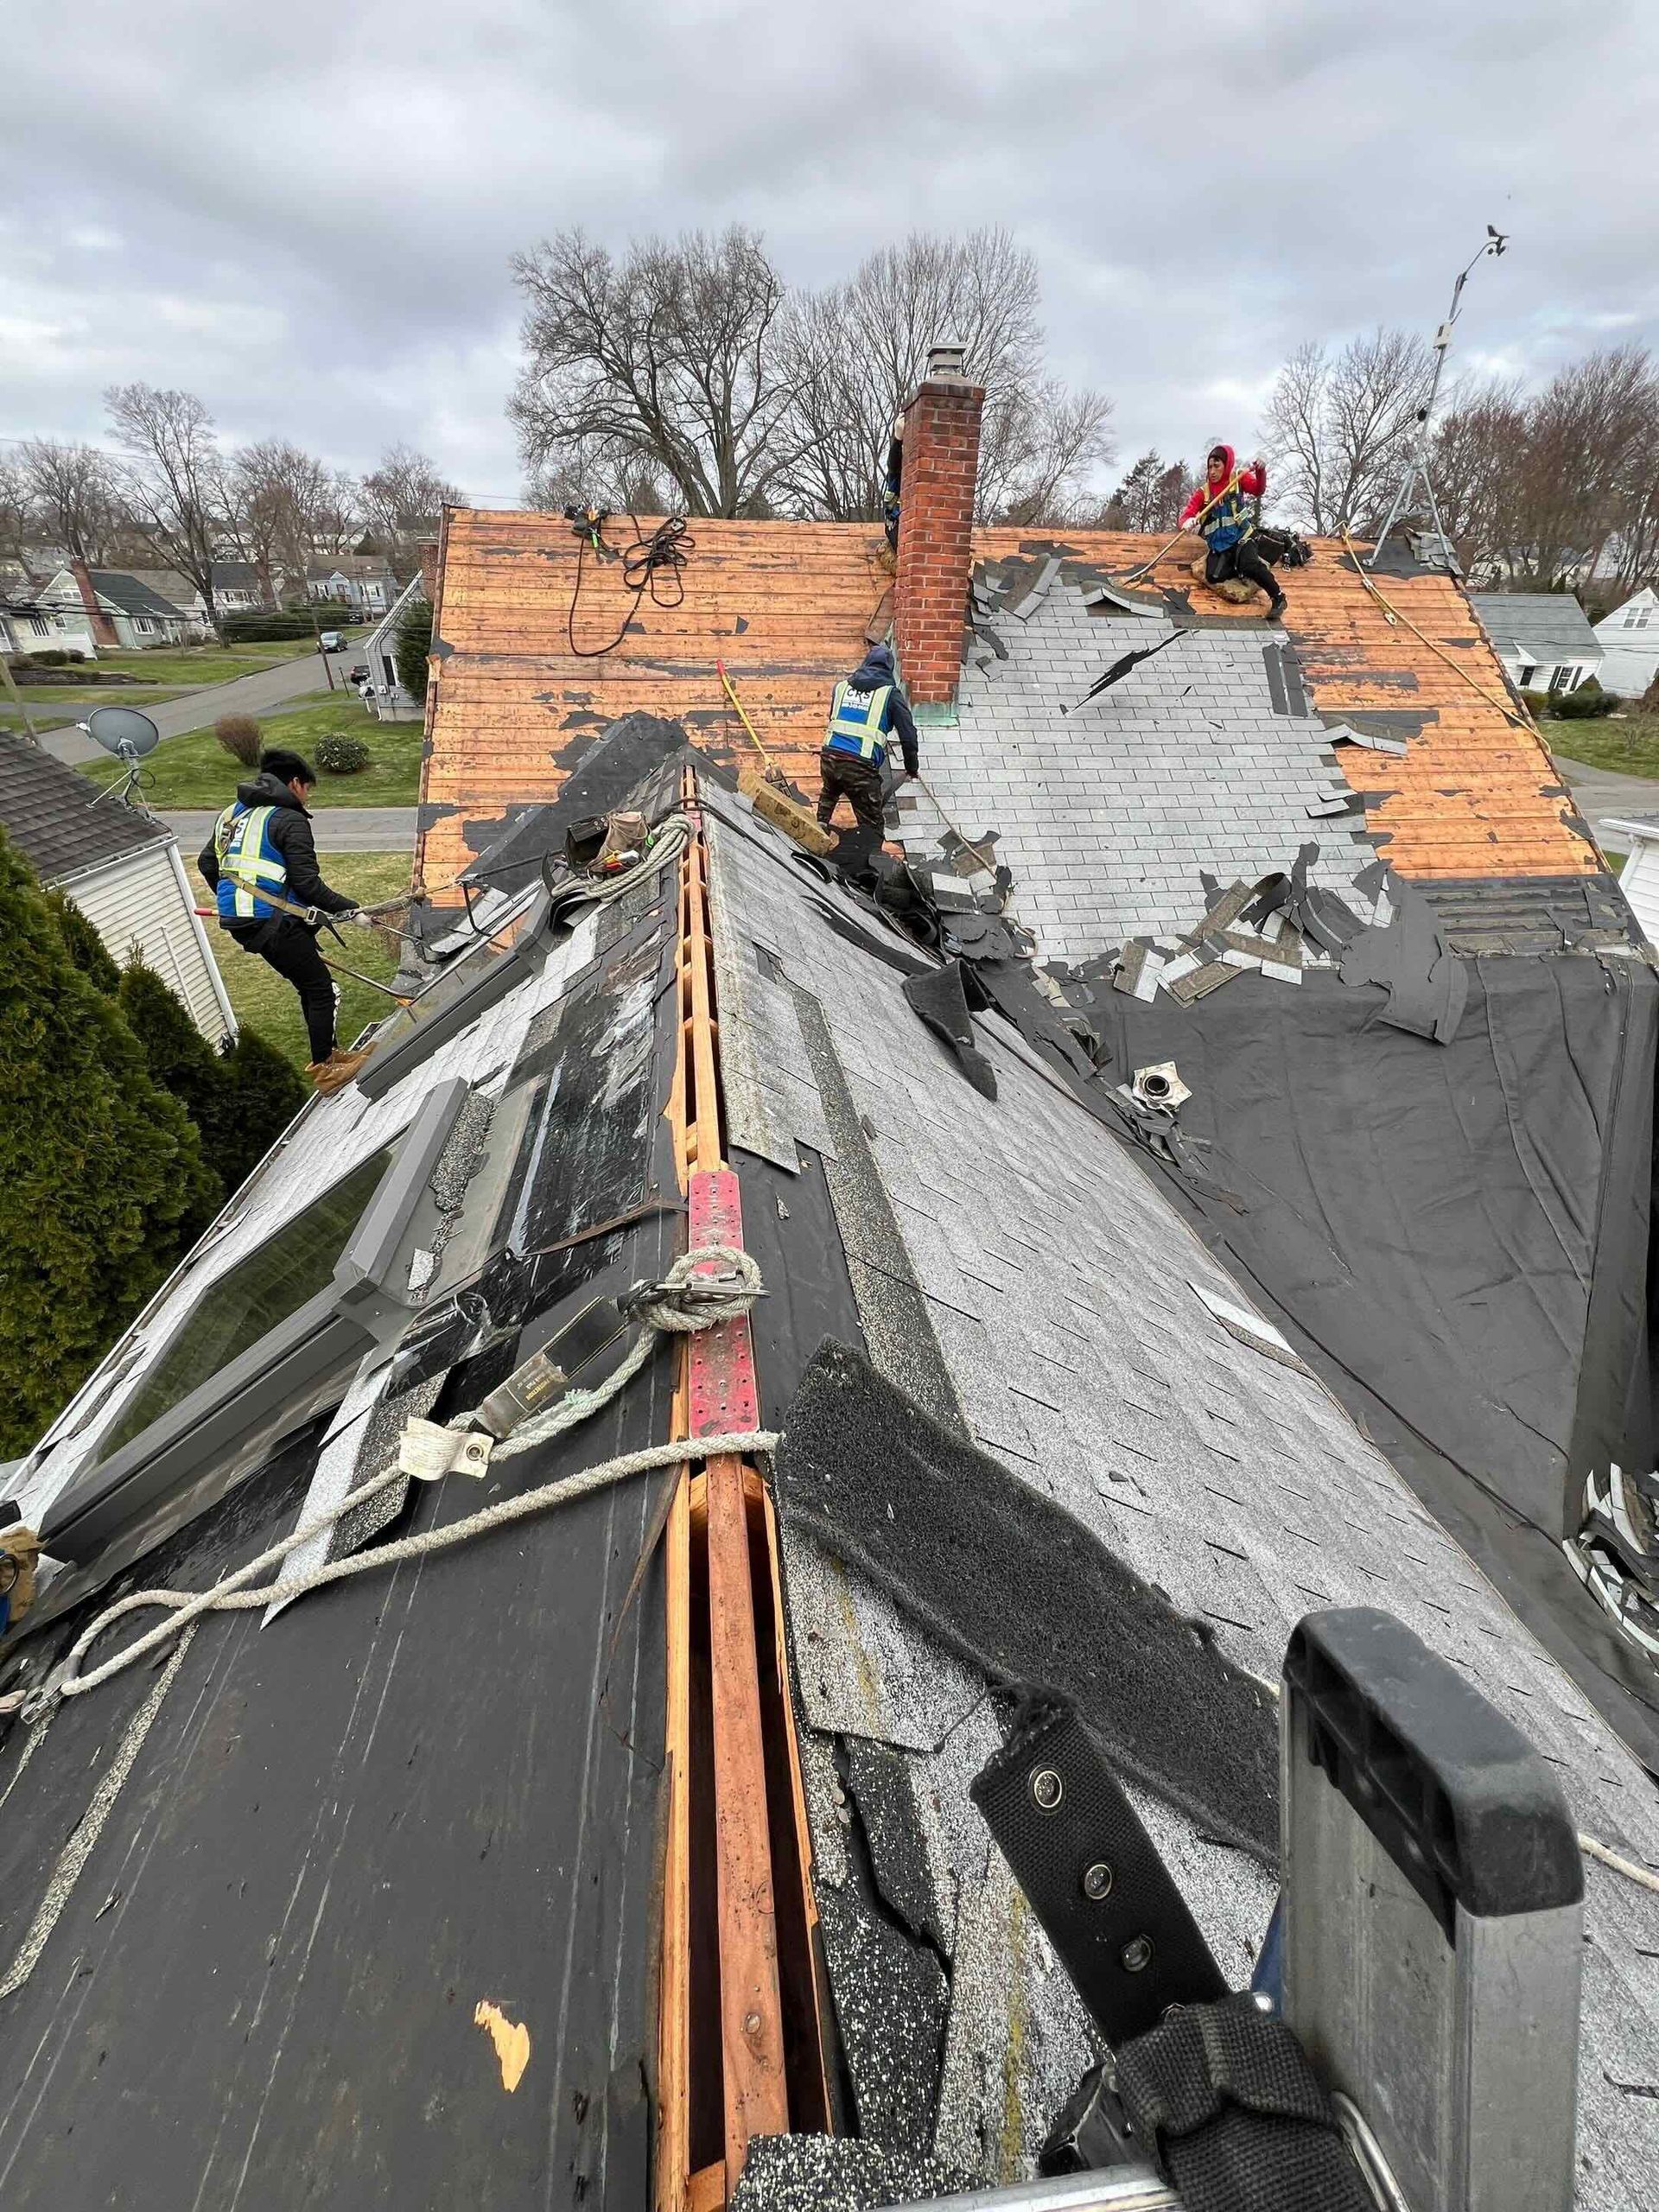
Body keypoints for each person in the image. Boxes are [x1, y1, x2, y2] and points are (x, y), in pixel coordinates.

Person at [198, 747, 378, 1095]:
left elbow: (209, 864)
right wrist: (353, 910)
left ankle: (328, 1053)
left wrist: (233, 900)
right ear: (295, 783)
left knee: (308, 985)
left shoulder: (232, 815)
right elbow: (308, 883)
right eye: (307, 788)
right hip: (272, 922)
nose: (307, 796)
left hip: (247, 921)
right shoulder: (288, 819)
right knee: (319, 989)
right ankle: (326, 1070)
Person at [817, 642, 918, 858]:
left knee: (829, 794)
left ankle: (816, 832)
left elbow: (835, 718)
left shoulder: (841, 687)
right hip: (859, 767)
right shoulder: (890, 695)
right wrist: (911, 767)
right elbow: (908, 734)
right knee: (872, 825)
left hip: (829, 758)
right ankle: (868, 869)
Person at [1179, 444, 1287, 620]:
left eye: (1217, 466)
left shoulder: (1238, 480)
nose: (1212, 471)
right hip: (1220, 547)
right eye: (1209, 467)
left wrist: (1261, 471)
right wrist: (1187, 522)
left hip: (1242, 538)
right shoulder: (1203, 493)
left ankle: (1278, 597)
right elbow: (1187, 514)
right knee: (1214, 576)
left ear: (1226, 465)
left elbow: (1258, 489)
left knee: (1250, 565)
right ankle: (1241, 568)